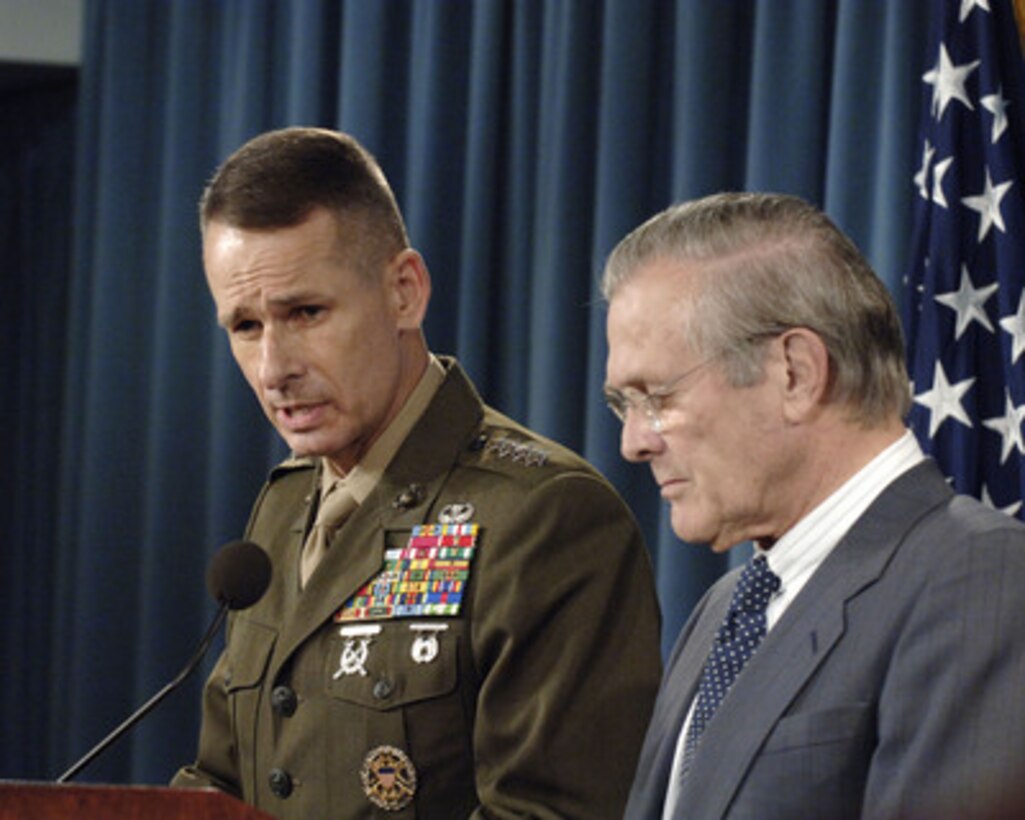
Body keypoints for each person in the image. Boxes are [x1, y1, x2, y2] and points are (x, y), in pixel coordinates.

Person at [171, 127, 662, 819]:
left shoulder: (543, 514)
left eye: (305, 312)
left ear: (404, 291)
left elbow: (551, 812)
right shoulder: (283, 508)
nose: (272, 368)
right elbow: (225, 782)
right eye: (244, 326)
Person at [602, 192, 1025, 819]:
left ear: (795, 373)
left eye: (657, 396)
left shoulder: (980, 577)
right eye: (624, 405)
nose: (633, 442)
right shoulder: (726, 608)